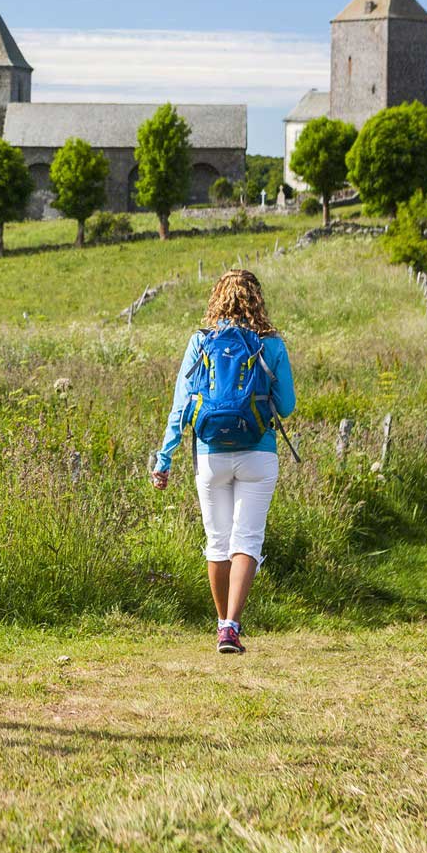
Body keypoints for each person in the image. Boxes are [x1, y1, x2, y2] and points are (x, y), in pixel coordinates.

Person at [150, 269, 295, 653]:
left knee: (218, 543)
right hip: (259, 454)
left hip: (210, 455)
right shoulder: (271, 344)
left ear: (217, 299)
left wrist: (164, 458)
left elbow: (181, 406)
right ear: (257, 300)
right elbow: (288, 406)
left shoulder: (200, 342)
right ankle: (232, 626)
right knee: (247, 540)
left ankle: (219, 625)